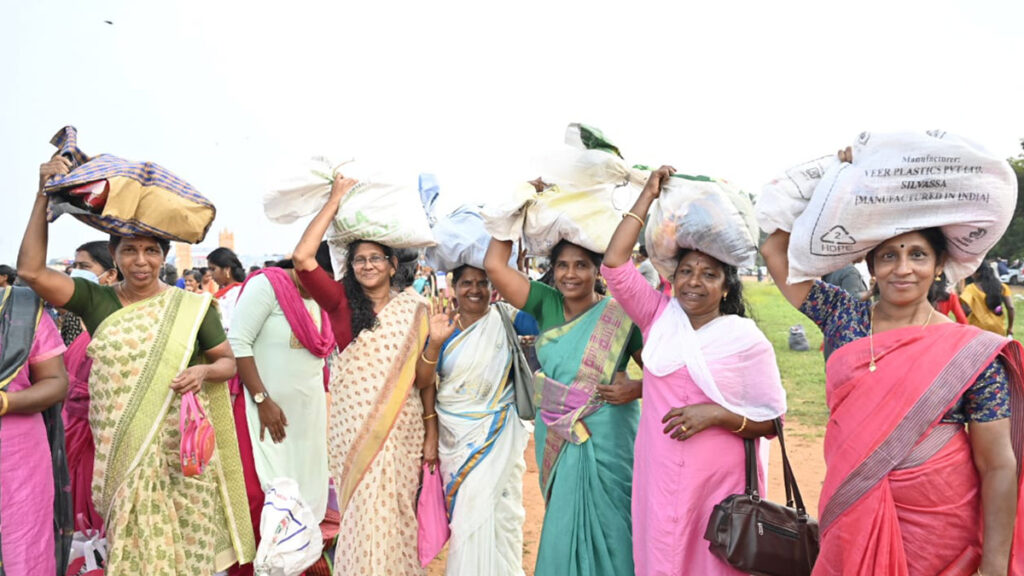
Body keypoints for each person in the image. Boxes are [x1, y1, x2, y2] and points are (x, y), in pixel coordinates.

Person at [18, 154, 255, 574]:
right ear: (115, 255)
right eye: (130, 251)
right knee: (131, 553)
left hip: (179, 456)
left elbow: (226, 364)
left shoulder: (191, 306)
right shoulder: (98, 301)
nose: (140, 261)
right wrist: (42, 197)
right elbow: (32, 272)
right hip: (121, 455)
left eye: (150, 251)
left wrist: (202, 371)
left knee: (184, 554)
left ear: (163, 255)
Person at [762, 199, 1022, 572]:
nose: (903, 269)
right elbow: (774, 248)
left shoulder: (969, 352)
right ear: (871, 266)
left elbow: (997, 463)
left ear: (937, 267)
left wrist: (994, 567)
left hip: (940, 532)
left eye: (918, 255)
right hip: (854, 513)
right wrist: (836, 178)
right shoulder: (843, 317)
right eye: (888, 256)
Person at [602, 166, 787, 575]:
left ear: (726, 286)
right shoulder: (658, 318)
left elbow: (773, 422)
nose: (694, 282)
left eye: (709, 274)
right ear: (673, 277)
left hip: (717, 484)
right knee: (662, 556)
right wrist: (648, 195)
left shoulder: (745, 341)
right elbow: (614, 266)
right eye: (686, 271)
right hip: (660, 472)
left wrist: (717, 415)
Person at [293, 174, 434, 575]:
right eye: (359, 259)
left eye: (376, 258)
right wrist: (336, 199)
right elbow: (303, 258)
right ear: (349, 266)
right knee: (360, 512)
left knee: (397, 512)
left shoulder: (416, 310)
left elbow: (425, 382)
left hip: (403, 429)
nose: (368, 265)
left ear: (393, 265)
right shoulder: (339, 302)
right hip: (353, 429)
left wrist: (431, 431)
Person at [484, 233, 643, 576]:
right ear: (552, 270)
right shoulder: (546, 303)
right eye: (562, 266)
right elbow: (495, 266)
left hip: (609, 433)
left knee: (615, 518)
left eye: (581, 265)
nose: (571, 274)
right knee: (564, 516)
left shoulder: (621, 314)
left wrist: (637, 389)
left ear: (598, 270)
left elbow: (666, 375)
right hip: (557, 431)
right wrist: (515, 209)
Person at [416, 265, 531, 576]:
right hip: (455, 437)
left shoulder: (506, 317)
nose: (475, 290)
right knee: (467, 517)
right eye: (467, 283)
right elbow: (423, 381)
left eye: (483, 282)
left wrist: (514, 273)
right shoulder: (442, 325)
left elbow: (541, 315)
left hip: (498, 432)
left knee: (503, 515)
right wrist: (436, 343)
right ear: (454, 287)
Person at [227, 260, 334, 576]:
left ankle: (293, 567)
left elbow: (318, 361)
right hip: (259, 414)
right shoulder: (267, 286)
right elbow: (238, 343)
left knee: (299, 500)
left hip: (306, 420)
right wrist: (262, 399)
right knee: (256, 497)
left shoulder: (323, 300)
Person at [0, 285, 71, 575]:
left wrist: (6, 401)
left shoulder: (20, 309)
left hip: (16, 459)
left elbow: (56, 381)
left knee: (21, 547)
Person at [62, 240, 118, 533]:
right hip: (74, 433)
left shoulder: (114, 326)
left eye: (84, 267)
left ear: (109, 275)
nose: (76, 272)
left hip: (99, 439)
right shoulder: (77, 319)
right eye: (75, 266)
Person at [961, 262, 1015, 338]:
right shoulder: (1002, 287)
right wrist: (1010, 328)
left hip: (977, 329)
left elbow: (967, 310)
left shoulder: (970, 288)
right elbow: (1010, 307)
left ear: (978, 273)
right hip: (998, 328)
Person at [208, 247, 248, 331]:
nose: (210, 274)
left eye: (213, 269)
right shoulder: (225, 292)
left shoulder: (237, 293)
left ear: (227, 269)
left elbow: (229, 325)